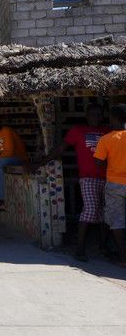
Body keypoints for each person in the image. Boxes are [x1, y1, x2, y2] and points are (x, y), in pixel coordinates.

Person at [30, 103, 110, 261]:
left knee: (105, 214)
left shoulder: (108, 132)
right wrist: (41, 162)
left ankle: (103, 245)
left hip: (108, 178)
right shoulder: (78, 131)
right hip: (88, 178)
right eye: (93, 114)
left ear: (103, 116)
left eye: (99, 114)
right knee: (90, 210)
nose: (96, 117)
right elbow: (60, 148)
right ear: (87, 116)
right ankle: (80, 248)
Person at [93, 104, 126, 267]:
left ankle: (123, 257)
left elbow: (98, 161)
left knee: (117, 221)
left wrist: (112, 167)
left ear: (114, 118)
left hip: (114, 183)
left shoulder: (106, 139)